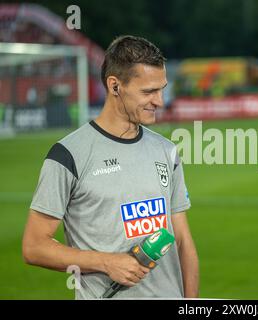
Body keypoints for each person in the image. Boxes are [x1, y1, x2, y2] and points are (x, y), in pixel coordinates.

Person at [22, 35, 199, 299]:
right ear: (115, 86)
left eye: (161, 89)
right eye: (148, 92)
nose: (159, 101)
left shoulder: (166, 151)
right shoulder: (68, 155)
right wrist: (107, 262)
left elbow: (182, 241)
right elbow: (34, 247)